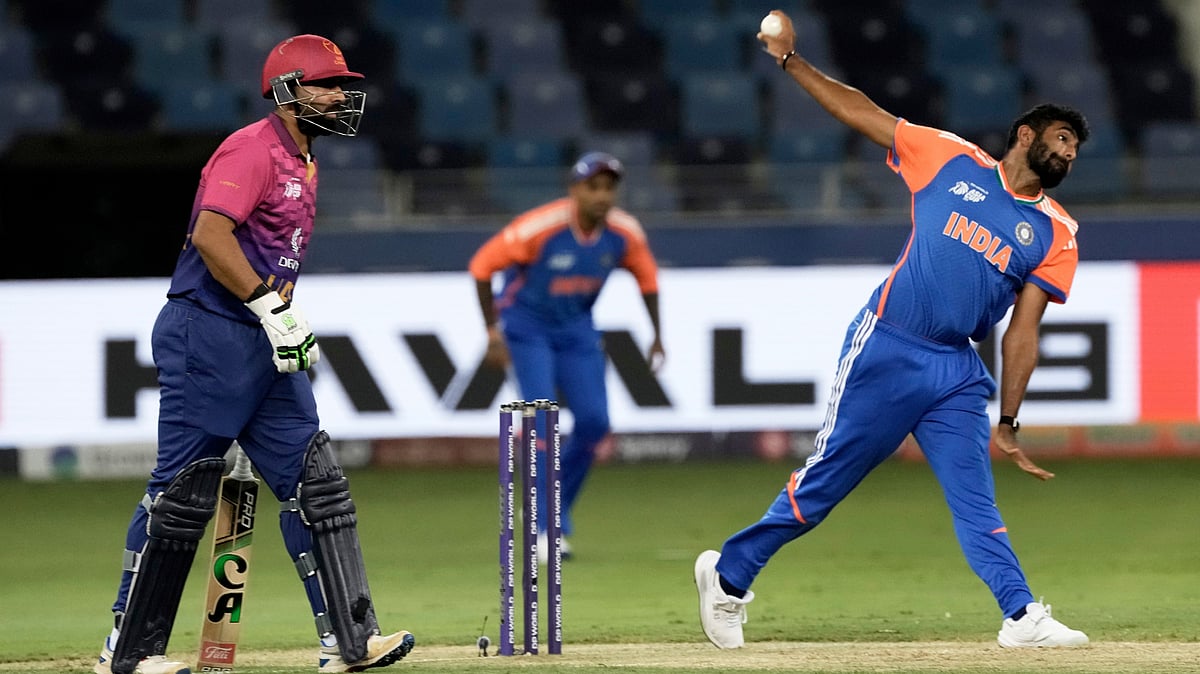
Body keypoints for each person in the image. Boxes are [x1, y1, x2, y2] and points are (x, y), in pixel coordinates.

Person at [694, 10, 1092, 651]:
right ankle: (729, 577)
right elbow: (863, 112)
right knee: (824, 484)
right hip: (887, 343)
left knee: (975, 501)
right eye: (1061, 138)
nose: (1069, 152)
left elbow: (1024, 330)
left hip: (956, 369)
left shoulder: (1057, 232)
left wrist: (1010, 419)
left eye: (1076, 147)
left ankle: (1021, 615)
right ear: (1025, 135)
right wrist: (792, 61)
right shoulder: (951, 159)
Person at [94, 35, 414, 674]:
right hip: (208, 334)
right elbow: (211, 235)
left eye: (343, 85)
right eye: (327, 84)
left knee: (315, 482)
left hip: (260, 340)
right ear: (289, 90)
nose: (341, 95)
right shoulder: (251, 148)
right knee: (183, 493)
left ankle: (351, 642)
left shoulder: (303, 157)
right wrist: (272, 307)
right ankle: (127, 653)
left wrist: (274, 317)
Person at [469, 152, 665, 562]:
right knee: (542, 419)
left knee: (595, 424)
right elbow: (482, 266)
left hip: (577, 328)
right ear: (574, 189)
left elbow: (648, 278)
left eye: (609, 188)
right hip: (526, 327)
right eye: (593, 187)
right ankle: (543, 529)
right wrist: (492, 332)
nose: (602, 196)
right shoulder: (542, 227)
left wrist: (658, 335)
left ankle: (553, 509)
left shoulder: (624, 233)